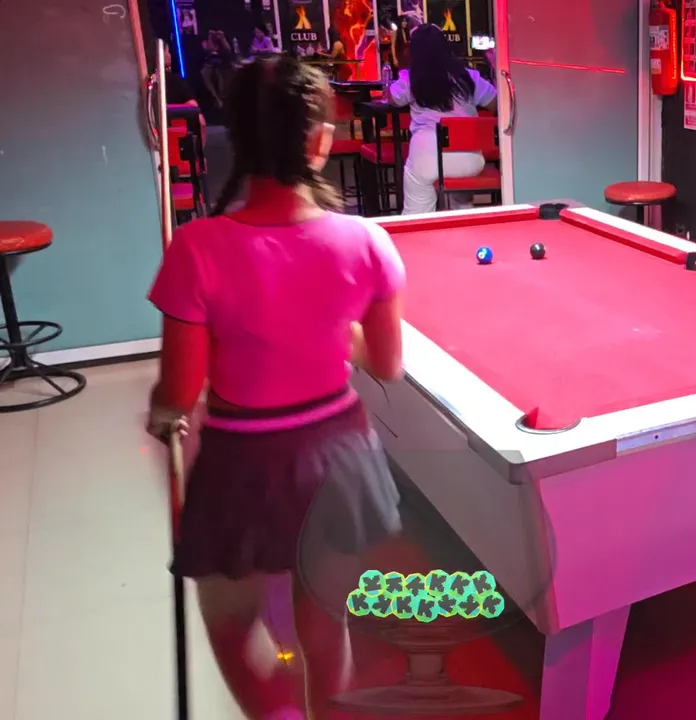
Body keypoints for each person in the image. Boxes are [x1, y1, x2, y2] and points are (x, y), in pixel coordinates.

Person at [145, 56, 406, 719]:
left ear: (236, 138)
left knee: (232, 629)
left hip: (241, 462)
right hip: (339, 456)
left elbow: (181, 388)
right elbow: (386, 364)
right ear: (320, 141)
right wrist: (330, 330)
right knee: (325, 629)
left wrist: (161, 413)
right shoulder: (367, 241)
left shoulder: (196, 248)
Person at [389, 24, 497, 214]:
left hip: (427, 156)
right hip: (469, 160)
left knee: (417, 210)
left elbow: (393, 99)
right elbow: (497, 105)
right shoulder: (469, 77)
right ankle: (462, 214)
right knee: (460, 197)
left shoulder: (410, 79)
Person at [201, 29, 234, 107]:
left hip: (223, 63)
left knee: (220, 75)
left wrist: (222, 38)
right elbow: (211, 49)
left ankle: (221, 97)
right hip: (210, 63)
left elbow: (228, 49)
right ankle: (215, 97)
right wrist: (210, 37)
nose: (215, 35)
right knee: (205, 74)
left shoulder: (222, 39)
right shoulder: (206, 40)